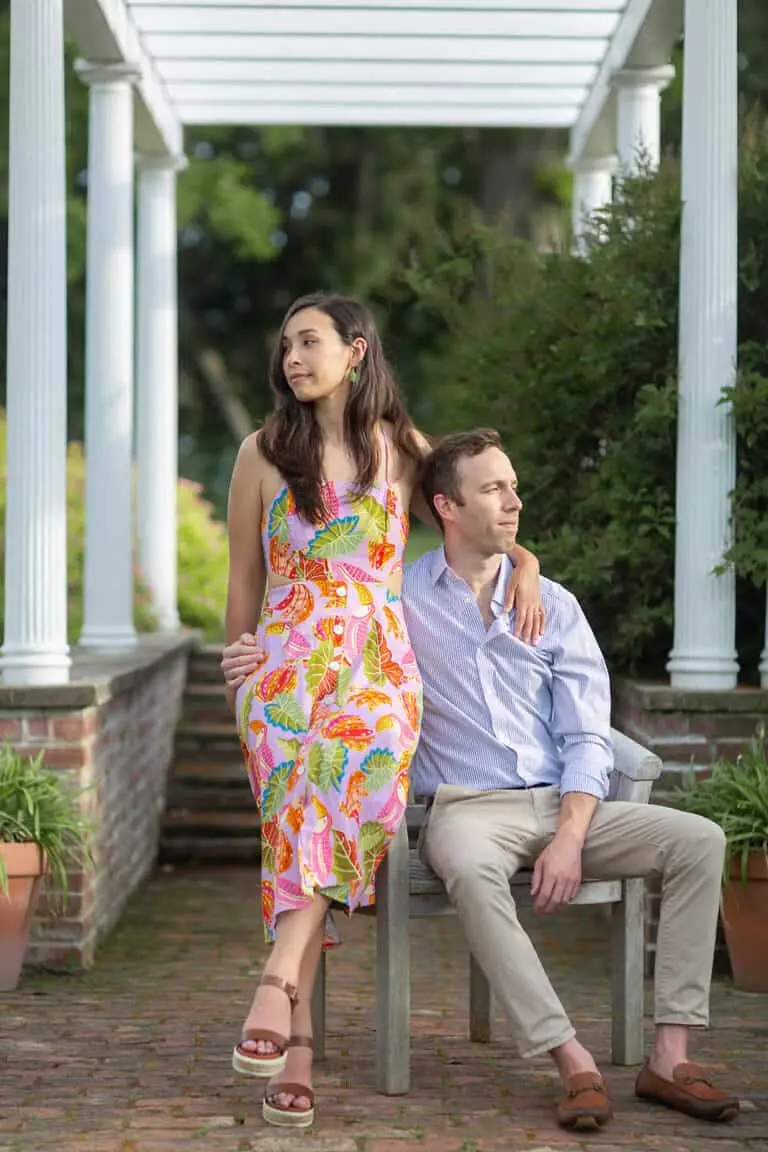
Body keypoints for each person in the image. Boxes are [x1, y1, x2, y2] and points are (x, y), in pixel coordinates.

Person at [221, 295, 543, 1129]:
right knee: (296, 818)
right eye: (286, 344)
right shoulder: (260, 452)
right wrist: (238, 675)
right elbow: (242, 586)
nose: (293, 357)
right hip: (284, 667)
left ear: (355, 351)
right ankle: (293, 1051)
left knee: (354, 770)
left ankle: (279, 972)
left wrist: (531, 567)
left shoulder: (403, 449)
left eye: (310, 341)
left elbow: (481, 520)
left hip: (374, 663)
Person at [400, 428, 739, 1130]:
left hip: (565, 802)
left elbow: (587, 734)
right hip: (467, 808)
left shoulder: (552, 602)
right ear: (447, 506)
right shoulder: (400, 600)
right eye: (494, 489)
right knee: (466, 864)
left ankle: (670, 1056)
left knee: (699, 840)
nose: (514, 501)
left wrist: (572, 834)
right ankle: (572, 1059)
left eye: (514, 486)